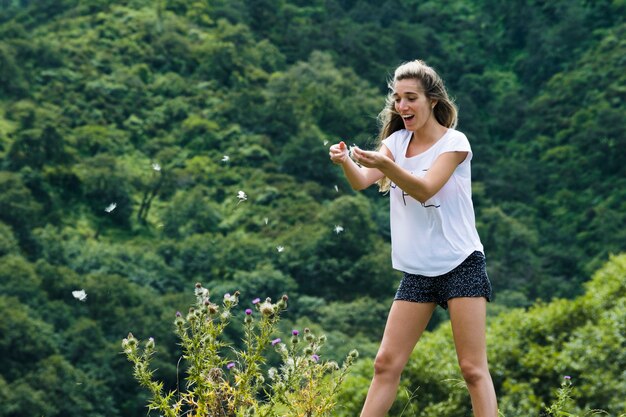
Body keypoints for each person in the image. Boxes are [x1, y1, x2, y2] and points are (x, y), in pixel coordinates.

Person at [328, 60, 498, 417]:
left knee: (471, 368)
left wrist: (389, 166)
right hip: (418, 271)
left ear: (432, 101)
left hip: (460, 262)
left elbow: (425, 190)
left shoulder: (455, 143)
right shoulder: (396, 142)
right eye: (397, 99)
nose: (402, 106)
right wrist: (345, 160)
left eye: (411, 98)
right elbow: (362, 180)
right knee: (385, 364)